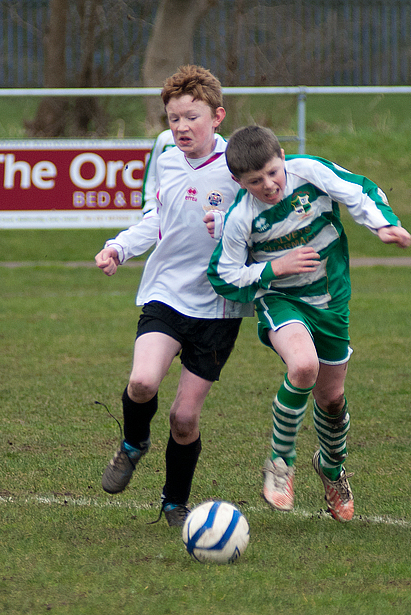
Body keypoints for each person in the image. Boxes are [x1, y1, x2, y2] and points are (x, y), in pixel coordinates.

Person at [206, 125, 411, 522]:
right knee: (303, 366)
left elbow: (359, 190)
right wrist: (272, 269)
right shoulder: (240, 218)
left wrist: (383, 224)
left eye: (272, 172)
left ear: (282, 156)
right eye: (255, 181)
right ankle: (280, 465)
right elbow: (224, 276)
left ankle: (332, 469)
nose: (268, 185)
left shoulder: (309, 171)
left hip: (332, 300)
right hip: (282, 301)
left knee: (331, 399)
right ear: (238, 181)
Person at [95, 65, 252, 527]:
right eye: (173, 119)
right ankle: (133, 444)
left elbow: (261, 226)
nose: (181, 127)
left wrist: (227, 230)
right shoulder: (163, 154)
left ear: (218, 116)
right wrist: (119, 247)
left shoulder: (238, 164)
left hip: (219, 305)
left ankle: (173, 502)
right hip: (165, 291)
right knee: (142, 382)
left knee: (185, 418)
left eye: (192, 117)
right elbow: (154, 217)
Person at [141, 129, 175, 215]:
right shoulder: (165, 138)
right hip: (163, 209)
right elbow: (152, 174)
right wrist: (149, 204)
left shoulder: (212, 140)